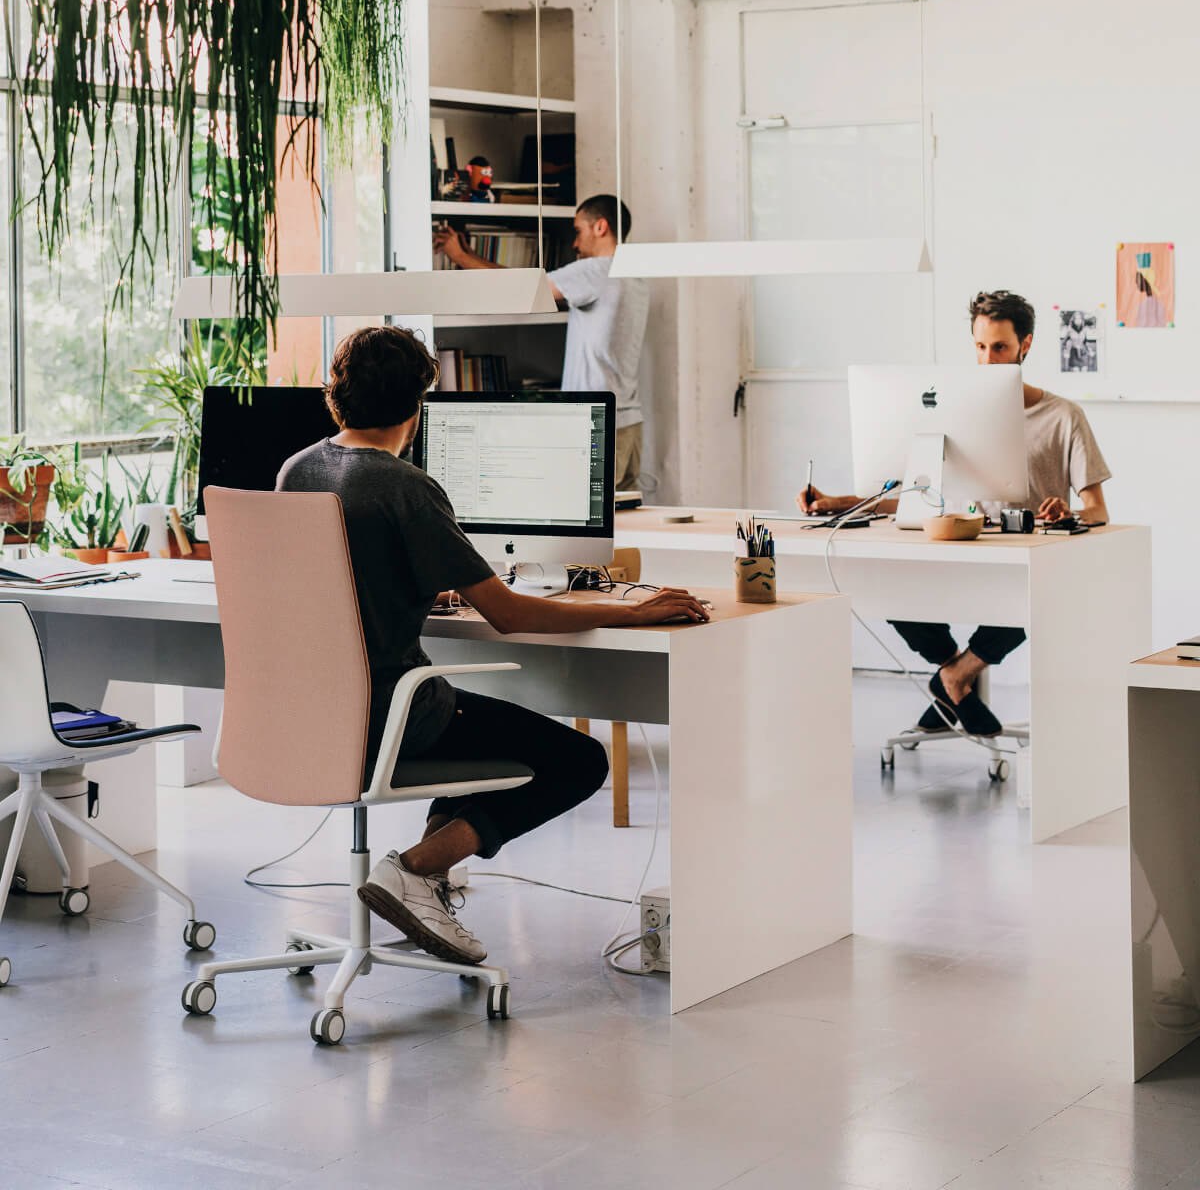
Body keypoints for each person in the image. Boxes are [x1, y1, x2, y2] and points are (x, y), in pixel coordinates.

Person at [276, 325, 705, 966]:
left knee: (468, 721)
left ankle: (425, 894)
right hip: (392, 715)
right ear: (414, 409)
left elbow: (340, 582)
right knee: (579, 760)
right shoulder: (405, 488)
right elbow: (504, 613)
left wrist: (421, 589)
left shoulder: (298, 470)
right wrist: (630, 614)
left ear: (337, 396)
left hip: (311, 716)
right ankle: (416, 869)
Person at [799, 289, 1111, 738]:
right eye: (980, 347)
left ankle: (954, 677)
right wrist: (842, 503)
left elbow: (1098, 510)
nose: (988, 359)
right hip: (963, 545)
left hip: (1027, 558)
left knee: (1041, 596)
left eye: (1000, 347)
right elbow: (918, 495)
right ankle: (955, 673)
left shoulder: (1064, 416)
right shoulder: (951, 411)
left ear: (1025, 344)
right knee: (888, 588)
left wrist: (1068, 511)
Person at [434, 193, 649, 493]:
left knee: (586, 522)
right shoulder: (633, 274)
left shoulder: (596, 271)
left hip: (598, 423)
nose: (574, 244)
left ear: (601, 227)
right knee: (624, 522)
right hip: (628, 420)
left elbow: (523, 288)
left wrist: (460, 257)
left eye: (578, 231)